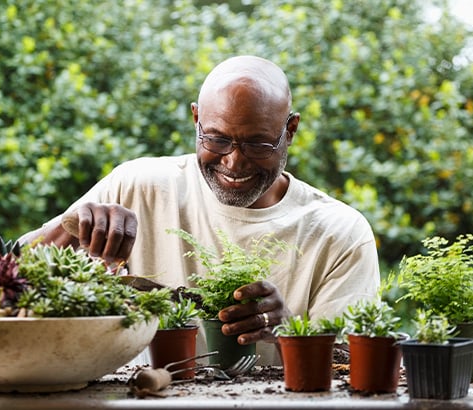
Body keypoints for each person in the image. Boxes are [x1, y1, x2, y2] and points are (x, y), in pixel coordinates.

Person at [19, 55, 380, 365]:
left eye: (258, 143)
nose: (234, 162)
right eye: (217, 138)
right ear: (196, 120)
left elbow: (354, 370)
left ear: (291, 129)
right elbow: (7, 277)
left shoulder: (340, 232)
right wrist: (76, 237)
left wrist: (288, 333)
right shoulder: (138, 185)